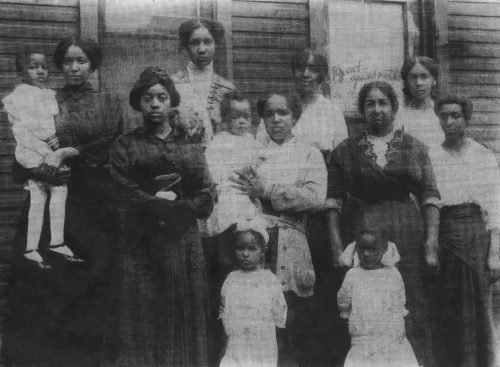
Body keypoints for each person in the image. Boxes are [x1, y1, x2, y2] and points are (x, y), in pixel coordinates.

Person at [2, 37, 123, 367]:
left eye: (81, 61)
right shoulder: (41, 98)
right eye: (67, 61)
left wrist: (78, 154)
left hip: (94, 202)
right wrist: (44, 170)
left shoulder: (109, 102)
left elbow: (113, 147)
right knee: (46, 282)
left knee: (92, 278)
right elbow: (21, 155)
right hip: (50, 191)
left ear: (93, 64)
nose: (74, 67)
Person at [327, 81, 440, 366]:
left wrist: (431, 242)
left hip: (407, 234)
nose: (376, 109)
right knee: (365, 303)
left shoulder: (414, 147)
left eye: (383, 103)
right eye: (370, 104)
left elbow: (429, 197)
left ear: (393, 108)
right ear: (362, 110)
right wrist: (336, 247)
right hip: (364, 235)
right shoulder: (345, 150)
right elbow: (332, 203)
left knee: (408, 304)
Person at [110, 67, 215, 367]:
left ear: (171, 102)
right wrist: (158, 204)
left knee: (183, 311)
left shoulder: (188, 144)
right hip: (141, 242)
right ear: (138, 103)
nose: (155, 104)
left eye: (161, 97)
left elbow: (206, 195)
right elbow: (122, 192)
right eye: (147, 98)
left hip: (182, 241)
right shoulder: (125, 145)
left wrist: (182, 207)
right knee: (143, 313)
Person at [232, 93, 327, 366]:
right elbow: (238, 193)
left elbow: (315, 197)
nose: (276, 119)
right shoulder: (252, 153)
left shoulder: (310, 153)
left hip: (291, 243)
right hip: (255, 242)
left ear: (294, 117)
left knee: (289, 324)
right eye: (270, 113)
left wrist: (267, 191)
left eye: (283, 113)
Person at [432, 95, 500, 367]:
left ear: (467, 118)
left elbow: (494, 206)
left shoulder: (482, 155)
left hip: (474, 236)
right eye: (444, 116)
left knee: (477, 306)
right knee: (447, 306)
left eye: (456, 115)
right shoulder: (431, 155)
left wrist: (495, 253)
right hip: (444, 235)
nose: (449, 121)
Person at [202, 91, 263, 366]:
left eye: (246, 117)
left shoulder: (253, 142)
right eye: (235, 117)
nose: (241, 122)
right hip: (226, 201)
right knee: (228, 263)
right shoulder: (219, 142)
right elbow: (214, 175)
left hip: (247, 202)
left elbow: (258, 170)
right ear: (225, 120)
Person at [2, 48, 77, 268]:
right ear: (20, 73)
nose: (41, 71)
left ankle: (33, 248)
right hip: (32, 150)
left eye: (44, 67)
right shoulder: (24, 94)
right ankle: (54, 242)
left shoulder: (43, 93)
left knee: (41, 194)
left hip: (38, 149)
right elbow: (32, 128)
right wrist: (52, 147)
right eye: (33, 67)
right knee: (56, 189)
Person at [338, 227, 418, 367]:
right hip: (363, 343)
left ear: (383, 249)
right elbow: (344, 302)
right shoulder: (352, 275)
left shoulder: (393, 274)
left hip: (392, 341)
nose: (366, 254)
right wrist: (348, 315)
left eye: (373, 249)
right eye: (362, 249)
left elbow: (399, 301)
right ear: (356, 249)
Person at [219, 217, 287, 367]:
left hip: (262, 347)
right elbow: (225, 311)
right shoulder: (231, 279)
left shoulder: (270, 280)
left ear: (263, 251)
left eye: (252, 248)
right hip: (236, 346)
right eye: (240, 248)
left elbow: (279, 317)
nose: (245, 254)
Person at [173, 18, 236, 143]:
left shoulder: (227, 88)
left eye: (207, 42)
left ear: (216, 44)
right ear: (186, 46)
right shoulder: (173, 85)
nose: (201, 49)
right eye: (194, 43)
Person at [396, 56, 444, 150]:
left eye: (424, 76)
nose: (419, 83)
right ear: (406, 82)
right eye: (413, 77)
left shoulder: (442, 113)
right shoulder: (399, 115)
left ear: (433, 80)